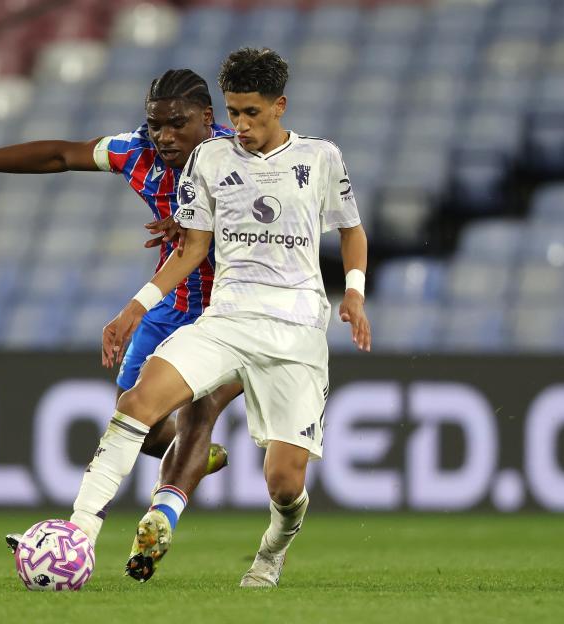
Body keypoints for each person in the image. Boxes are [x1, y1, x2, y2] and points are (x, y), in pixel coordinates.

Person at [0, 69, 241, 541]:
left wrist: (206, 220)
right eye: (156, 124)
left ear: (207, 117)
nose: (164, 136)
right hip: (170, 299)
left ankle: (147, 518)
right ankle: (197, 457)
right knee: (141, 424)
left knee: (200, 410)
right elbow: (60, 154)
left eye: (176, 123)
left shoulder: (240, 155)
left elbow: (280, 214)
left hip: (231, 307)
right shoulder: (136, 152)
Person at [72, 47, 371, 587]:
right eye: (233, 112)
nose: (241, 125)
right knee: (137, 402)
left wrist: (354, 293)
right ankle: (78, 533)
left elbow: (351, 229)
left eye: (252, 113)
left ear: (279, 106)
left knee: (283, 483)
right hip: (226, 319)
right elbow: (189, 250)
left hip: (297, 332)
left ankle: (270, 554)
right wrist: (135, 308)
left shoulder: (320, 158)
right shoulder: (210, 160)